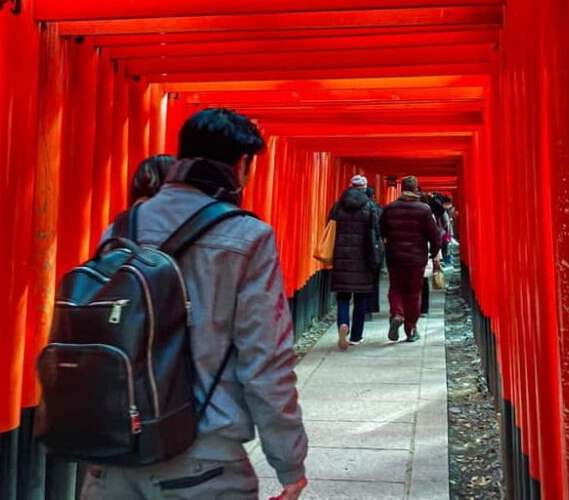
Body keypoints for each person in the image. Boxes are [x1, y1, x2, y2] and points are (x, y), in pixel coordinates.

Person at [81, 109, 308, 500]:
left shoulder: (122, 227)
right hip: (202, 461)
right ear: (243, 164)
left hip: (113, 454)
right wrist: (289, 462)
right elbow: (265, 359)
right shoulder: (248, 236)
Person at [380, 176, 442, 343]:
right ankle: (411, 329)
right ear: (416, 190)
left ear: (402, 190)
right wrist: (433, 253)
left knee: (395, 288)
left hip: (395, 257)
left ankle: (397, 314)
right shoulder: (424, 210)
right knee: (413, 293)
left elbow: (382, 231)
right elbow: (435, 236)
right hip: (416, 258)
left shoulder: (389, 209)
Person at [328, 174, 379, 349]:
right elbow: (375, 231)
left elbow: (330, 227)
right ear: (364, 188)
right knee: (361, 299)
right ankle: (356, 336)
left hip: (342, 257)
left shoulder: (338, 205)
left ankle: (343, 323)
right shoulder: (370, 206)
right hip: (363, 259)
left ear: (350, 186)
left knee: (342, 297)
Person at [365, 185, 384, 318]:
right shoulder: (376, 209)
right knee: (372, 280)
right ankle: (369, 309)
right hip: (373, 248)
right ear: (373, 196)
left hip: (349, 251)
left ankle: (344, 319)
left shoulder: (342, 206)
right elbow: (381, 229)